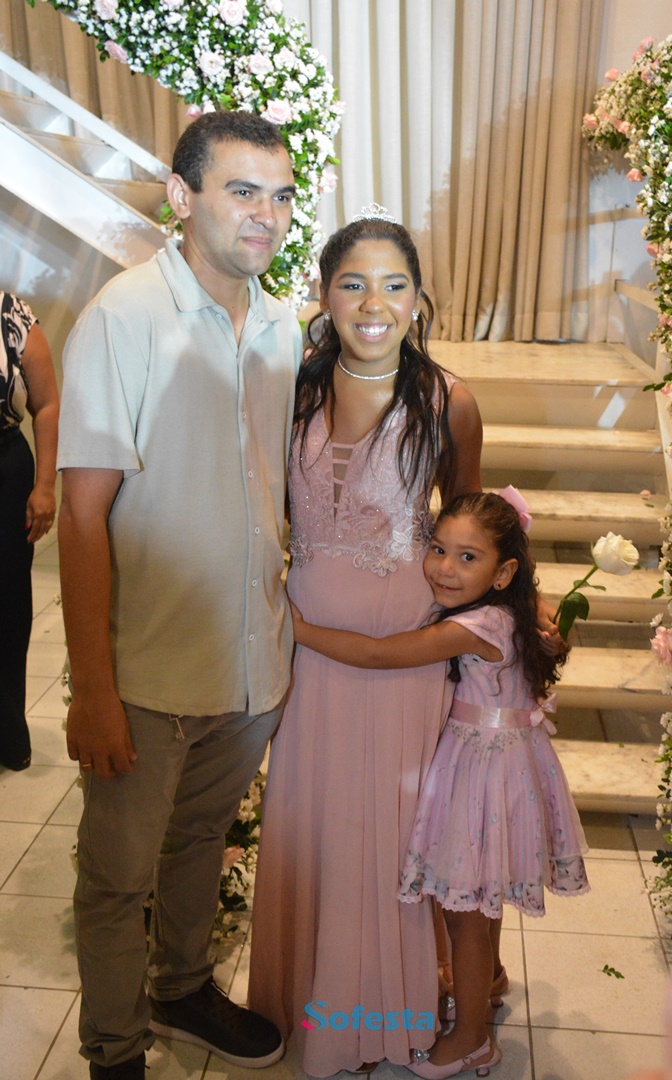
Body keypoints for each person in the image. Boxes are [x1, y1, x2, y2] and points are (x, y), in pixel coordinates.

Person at [56, 111, 301, 1080]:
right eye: (242, 191)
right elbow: (82, 518)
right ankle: (115, 1050)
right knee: (117, 877)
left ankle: (182, 987)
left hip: (249, 662)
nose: (266, 215)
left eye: (281, 196)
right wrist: (93, 688)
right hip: (147, 668)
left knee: (202, 839)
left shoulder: (282, 328)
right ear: (181, 195)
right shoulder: (125, 318)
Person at [247, 210, 484, 1076]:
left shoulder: (449, 401)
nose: (373, 303)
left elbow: (471, 532)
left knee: (389, 835)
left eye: (393, 285)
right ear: (323, 294)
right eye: (352, 283)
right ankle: (309, 1005)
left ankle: (383, 1016)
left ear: (418, 299)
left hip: (400, 653)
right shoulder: (292, 388)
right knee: (311, 824)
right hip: (305, 647)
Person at [292, 491, 589, 1078]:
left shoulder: (477, 625)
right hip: (505, 767)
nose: (445, 568)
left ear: (504, 572)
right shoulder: (508, 612)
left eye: (467, 557)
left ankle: (472, 1039)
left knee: (464, 915)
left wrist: (300, 631)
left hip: (482, 777)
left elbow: (377, 655)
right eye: (437, 549)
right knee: (483, 898)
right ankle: (488, 983)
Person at [0, 292, 58, 771]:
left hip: (5, 473)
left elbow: (48, 404)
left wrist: (44, 485)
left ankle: (7, 735)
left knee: (7, 602)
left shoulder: (11, 315)